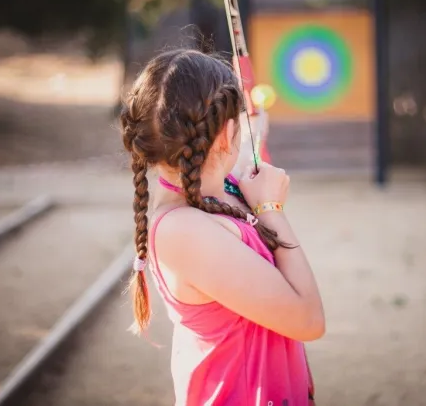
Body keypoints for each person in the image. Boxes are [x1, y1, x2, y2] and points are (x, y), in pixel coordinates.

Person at [120, 48, 325, 406]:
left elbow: (240, 154)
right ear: (226, 135)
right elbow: (308, 319)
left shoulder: (219, 184)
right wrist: (271, 209)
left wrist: (252, 125)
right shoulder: (183, 231)